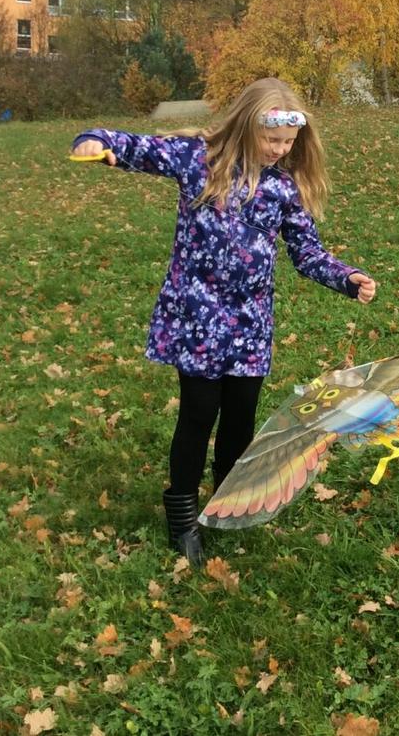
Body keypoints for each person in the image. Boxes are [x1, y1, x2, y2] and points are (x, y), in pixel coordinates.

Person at [70, 77, 376, 565]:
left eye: (287, 143)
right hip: (196, 318)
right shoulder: (200, 161)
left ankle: (228, 501)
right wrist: (97, 142)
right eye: (271, 140)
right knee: (197, 415)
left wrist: (347, 277)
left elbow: (308, 252)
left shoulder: (282, 188)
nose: (279, 150)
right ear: (245, 126)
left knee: (240, 418)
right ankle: (183, 513)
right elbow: (132, 145)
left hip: (250, 323)